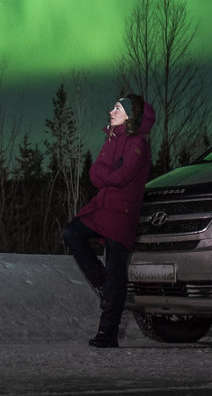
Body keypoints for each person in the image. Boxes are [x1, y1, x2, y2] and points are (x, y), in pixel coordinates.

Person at [61, 92, 155, 348]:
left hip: (122, 213)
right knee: (72, 233)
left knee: (116, 269)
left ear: (130, 115)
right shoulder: (113, 139)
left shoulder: (137, 143)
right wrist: (108, 174)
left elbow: (122, 175)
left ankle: (107, 333)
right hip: (104, 207)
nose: (111, 111)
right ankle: (102, 283)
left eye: (117, 108)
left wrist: (108, 174)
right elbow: (95, 174)